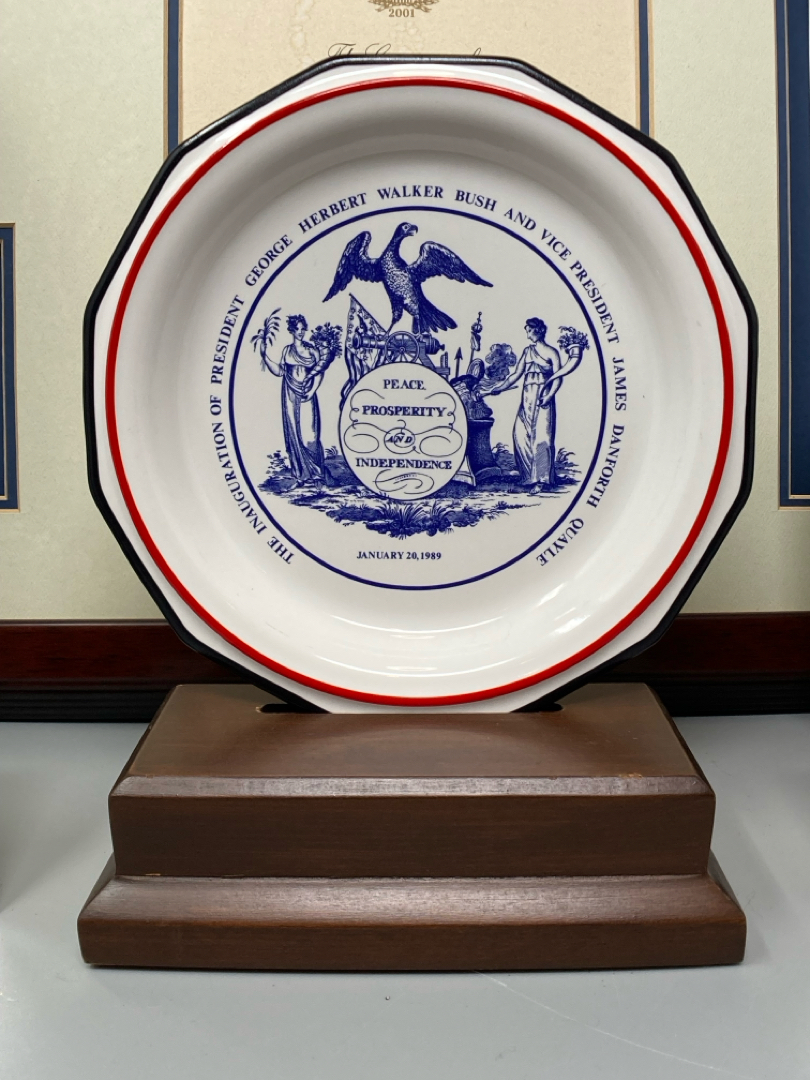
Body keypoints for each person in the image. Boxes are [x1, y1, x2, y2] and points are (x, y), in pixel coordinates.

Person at [487, 318, 580, 487]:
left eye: (529, 330)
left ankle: (543, 479)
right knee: (520, 435)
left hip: (543, 398)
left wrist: (549, 396)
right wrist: (499, 387)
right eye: (527, 331)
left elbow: (558, 378)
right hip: (527, 398)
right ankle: (529, 476)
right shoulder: (527, 351)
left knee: (542, 438)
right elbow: (516, 375)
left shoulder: (552, 352)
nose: (528, 334)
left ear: (539, 331)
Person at [263, 315, 326, 484]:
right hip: (290, 394)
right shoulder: (287, 351)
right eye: (297, 329)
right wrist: (265, 357)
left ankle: (317, 473)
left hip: (307, 393)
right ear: (291, 330)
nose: (300, 332)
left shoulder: (312, 350)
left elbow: (320, 372)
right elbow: (280, 371)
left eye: (303, 328)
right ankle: (300, 474)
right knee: (294, 432)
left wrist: (312, 390)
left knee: (310, 434)